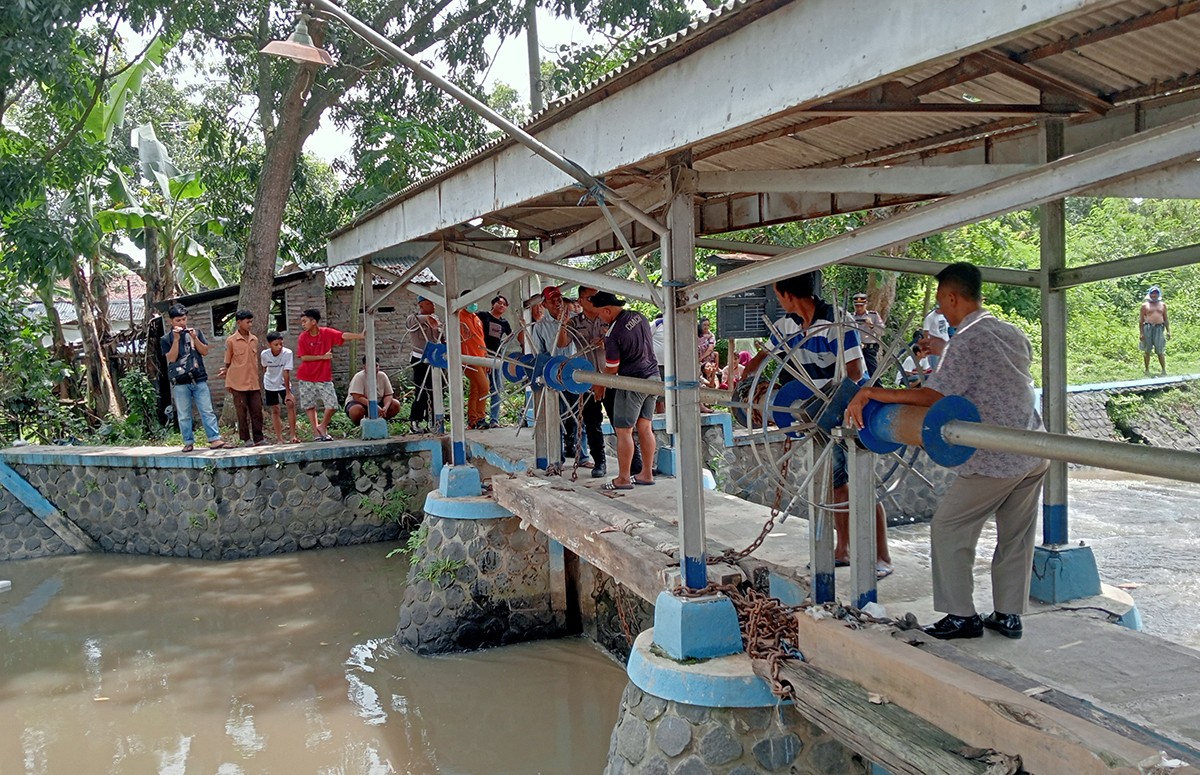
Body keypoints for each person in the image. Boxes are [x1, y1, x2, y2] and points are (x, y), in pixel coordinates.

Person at [847, 262, 1048, 641]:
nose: (941, 310)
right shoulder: (1009, 331)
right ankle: (1008, 614)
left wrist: (873, 392)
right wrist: (945, 349)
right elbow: (991, 375)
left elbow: (934, 396)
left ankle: (961, 616)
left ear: (952, 297)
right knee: (1016, 535)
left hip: (995, 456)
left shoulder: (969, 339)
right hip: (1033, 448)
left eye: (942, 303)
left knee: (948, 527)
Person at [742, 271, 893, 578]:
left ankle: (882, 557)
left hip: (850, 410)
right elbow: (761, 359)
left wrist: (829, 402)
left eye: (777, 293)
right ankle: (843, 550)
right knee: (835, 483)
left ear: (787, 295)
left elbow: (854, 372)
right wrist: (745, 386)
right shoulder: (787, 326)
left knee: (863, 481)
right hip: (814, 414)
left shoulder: (837, 321)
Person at [592, 291, 658, 490]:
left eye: (600, 314)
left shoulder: (613, 334)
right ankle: (646, 473)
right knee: (645, 427)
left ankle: (623, 478)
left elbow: (612, 368)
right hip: (653, 377)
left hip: (633, 382)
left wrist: (599, 385)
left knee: (623, 431)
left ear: (607, 310)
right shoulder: (639, 316)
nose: (600, 319)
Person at [161, 304, 228, 452]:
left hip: (199, 379)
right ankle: (188, 442)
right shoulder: (166, 339)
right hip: (179, 382)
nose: (182, 323)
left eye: (184, 319)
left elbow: (204, 351)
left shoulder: (196, 332)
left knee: (207, 410)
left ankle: (214, 439)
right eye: (178, 320)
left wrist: (194, 338)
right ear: (171, 321)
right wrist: (177, 339)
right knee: (184, 414)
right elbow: (171, 358)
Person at [295, 307, 365, 441]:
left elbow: (342, 335)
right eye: (302, 322)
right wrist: (322, 357)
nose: (302, 324)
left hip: (323, 376)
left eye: (305, 321)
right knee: (309, 405)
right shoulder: (303, 337)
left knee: (332, 404)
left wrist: (360, 336)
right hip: (306, 376)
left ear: (313, 322)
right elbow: (303, 357)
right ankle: (317, 433)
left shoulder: (326, 333)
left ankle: (322, 426)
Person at [530, 285, 582, 462]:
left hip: (576, 374)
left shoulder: (576, 320)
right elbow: (540, 355)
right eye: (552, 300)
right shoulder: (539, 327)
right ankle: (556, 455)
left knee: (577, 415)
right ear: (544, 304)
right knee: (556, 415)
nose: (557, 302)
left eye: (559, 298)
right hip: (554, 377)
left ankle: (578, 453)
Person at [570, 286, 611, 479]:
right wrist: (562, 322)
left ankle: (635, 463)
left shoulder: (609, 317)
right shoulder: (573, 322)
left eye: (597, 297)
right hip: (586, 380)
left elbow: (622, 344)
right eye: (591, 297)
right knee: (592, 423)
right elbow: (562, 343)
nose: (595, 300)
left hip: (611, 378)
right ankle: (599, 462)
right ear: (580, 301)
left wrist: (606, 342)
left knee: (622, 421)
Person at [218, 310, 266, 447]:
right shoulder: (231, 340)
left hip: (253, 382)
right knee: (241, 411)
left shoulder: (254, 339)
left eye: (251, 321)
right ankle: (246, 439)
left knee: (257, 410)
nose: (250, 324)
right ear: (239, 323)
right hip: (237, 382)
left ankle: (259, 438)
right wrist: (226, 371)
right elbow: (228, 361)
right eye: (247, 322)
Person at [405, 296, 442, 432]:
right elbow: (415, 321)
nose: (434, 306)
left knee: (435, 391)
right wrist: (427, 319)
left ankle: (433, 422)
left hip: (435, 360)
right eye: (430, 303)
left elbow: (441, 338)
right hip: (420, 360)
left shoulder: (436, 320)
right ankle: (415, 422)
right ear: (421, 305)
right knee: (421, 391)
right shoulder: (413, 319)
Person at [457, 290, 491, 429]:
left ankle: (473, 420)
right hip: (470, 359)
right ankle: (480, 418)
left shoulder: (476, 318)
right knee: (484, 388)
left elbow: (481, 338)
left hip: (481, 357)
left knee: (476, 389)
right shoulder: (458, 316)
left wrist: (485, 356)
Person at [477, 295, 513, 425]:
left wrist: (503, 344)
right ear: (493, 304)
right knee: (480, 387)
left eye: (504, 304)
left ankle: (494, 419)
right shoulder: (483, 315)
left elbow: (511, 335)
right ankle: (478, 418)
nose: (501, 305)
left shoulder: (504, 323)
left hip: (495, 358)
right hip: (480, 355)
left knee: (496, 389)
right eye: (499, 302)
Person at [261, 332, 299, 444]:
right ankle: (279, 438)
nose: (279, 347)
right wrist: (267, 381)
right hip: (270, 384)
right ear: (269, 345)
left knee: (290, 405)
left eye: (281, 344)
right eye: (276, 344)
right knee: (275, 409)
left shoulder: (287, 353)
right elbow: (264, 368)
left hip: (283, 383)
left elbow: (286, 372)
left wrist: (288, 392)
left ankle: (293, 435)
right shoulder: (264, 354)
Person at [345, 358, 402, 425]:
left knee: (395, 404)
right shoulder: (359, 377)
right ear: (364, 367)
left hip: (379, 402)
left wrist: (385, 407)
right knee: (356, 410)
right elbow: (357, 396)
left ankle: (381, 421)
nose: (373, 368)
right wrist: (373, 406)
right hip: (360, 403)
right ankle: (360, 425)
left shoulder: (382, 376)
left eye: (376, 366)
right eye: (369, 366)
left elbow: (388, 394)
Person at [851, 292, 885, 379]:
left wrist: (872, 325)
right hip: (855, 348)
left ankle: (877, 390)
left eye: (861, 306)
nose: (859, 308)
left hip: (869, 348)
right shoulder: (850, 317)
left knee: (873, 373)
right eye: (857, 306)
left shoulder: (873, 315)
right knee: (855, 373)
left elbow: (882, 332)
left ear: (866, 304)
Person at [1139, 285, 1170, 375]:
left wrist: (1168, 331)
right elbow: (1141, 320)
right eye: (1152, 293)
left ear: (1158, 294)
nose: (1154, 295)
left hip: (1159, 328)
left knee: (1160, 350)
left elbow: (1166, 318)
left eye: (1156, 293)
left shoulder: (1162, 305)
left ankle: (1163, 370)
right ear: (1149, 294)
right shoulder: (1144, 305)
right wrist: (1141, 333)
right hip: (1147, 328)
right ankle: (1147, 369)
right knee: (1147, 350)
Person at [923, 303, 951, 369]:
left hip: (945, 342)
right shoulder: (930, 317)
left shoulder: (944, 315)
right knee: (935, 366)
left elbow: (947, 328)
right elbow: (926, 331)